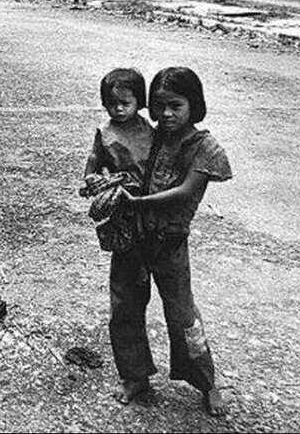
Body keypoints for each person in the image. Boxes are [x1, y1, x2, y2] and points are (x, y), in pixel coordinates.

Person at [112, 67, 231, 417]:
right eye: (159, 106)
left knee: (183, 316)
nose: (166, 114)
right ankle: (134, 377)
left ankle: (206, 381)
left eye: (175, 105)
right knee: (125, 308)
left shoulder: (206, 148)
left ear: (195, 104)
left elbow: (186, 192)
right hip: (133, 240)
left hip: (170, 244)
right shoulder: (150, 136)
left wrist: (137, 202)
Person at [79, 69, 154, 254]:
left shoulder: (148, 130)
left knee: (148, 237)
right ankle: (124, 273)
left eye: (125, 103)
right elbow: (95, 155)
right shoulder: (105, 131)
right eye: (112, 104)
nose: (119, 109)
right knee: (123, 240)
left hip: (146, 191)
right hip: (120, 192)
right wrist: (89, 176)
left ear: (139, 102)